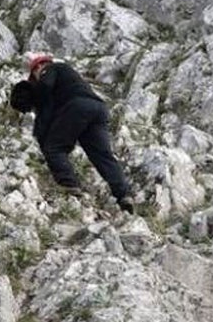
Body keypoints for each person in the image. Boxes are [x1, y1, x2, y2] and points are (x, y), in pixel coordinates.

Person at [10, 52, 134, 213]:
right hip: (98, 109)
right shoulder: (69, 79)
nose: (36, 79)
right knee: (103, 156)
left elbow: (45, 88)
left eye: (35, 76)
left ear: (39, 67)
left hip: (77, 107)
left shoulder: (51, 68)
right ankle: (123, 195)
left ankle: (69, 186)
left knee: (53, 148)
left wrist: (41, 131)